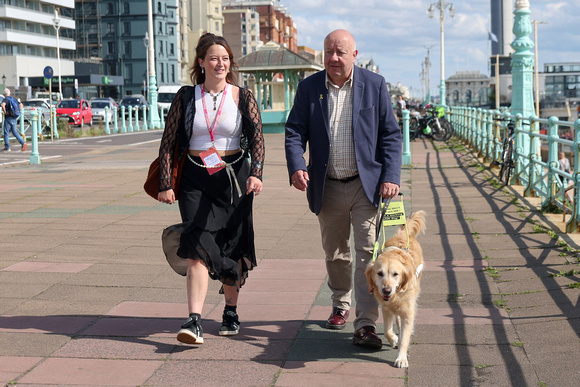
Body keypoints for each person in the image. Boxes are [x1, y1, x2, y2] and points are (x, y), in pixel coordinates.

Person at [285, 29, 402, 349]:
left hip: (366, 186)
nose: (333, 58)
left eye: (340, 52)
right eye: (328, 52)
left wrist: (391, 175)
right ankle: (340, 302)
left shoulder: (374, 86)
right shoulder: (309, 88)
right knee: (335, 252)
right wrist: (297, 165)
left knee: (368, 254)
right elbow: (295, 130)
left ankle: (366, 324)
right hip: (328, 185)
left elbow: (391, 135)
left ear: (354, 55)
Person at [157, 32, 265, 345]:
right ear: (201, 62)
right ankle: (194, 320)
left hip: (233, 179)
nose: (220, 63)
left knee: (231, 248)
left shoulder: (242, 96)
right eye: (213, 58)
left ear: (230, 63)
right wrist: (166, 183)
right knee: (197, 249)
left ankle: (230, 309)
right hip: (194, 178)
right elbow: (168, 142)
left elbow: (257, 139)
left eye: (225, 58)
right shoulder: (187, 96)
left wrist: (256, 173)